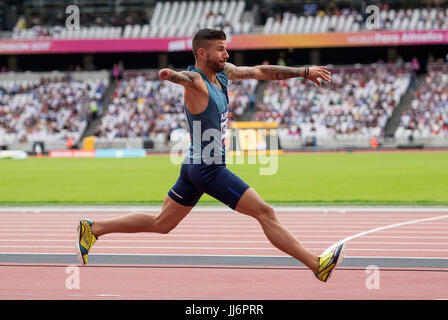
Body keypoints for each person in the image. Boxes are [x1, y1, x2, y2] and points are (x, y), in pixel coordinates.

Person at [76, 28, 345, 282]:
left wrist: (303, 71)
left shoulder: (225, 73)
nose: (226, 55)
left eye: (226, 49)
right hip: (208, 169)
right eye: (220, 50)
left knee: (162, 223)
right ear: (202, 53)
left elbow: (260, 71)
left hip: (193, 165)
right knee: (265, 212)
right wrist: (172, 76)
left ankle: (94, 229)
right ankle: (315, 265)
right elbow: (185, 78)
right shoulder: (195, 81)